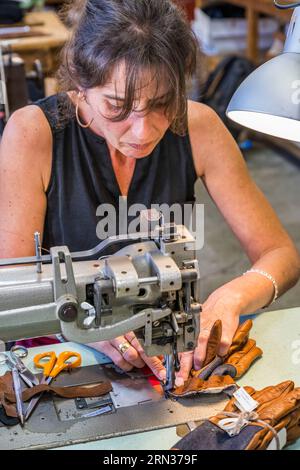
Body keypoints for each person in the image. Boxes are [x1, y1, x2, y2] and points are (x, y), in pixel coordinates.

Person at [0, 0, 299, 387]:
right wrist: (87, 324)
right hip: (62, 351)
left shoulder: (198, 128)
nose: (143, 132)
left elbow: (281, 255)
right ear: (80, 85)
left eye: (162, 104)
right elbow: (12, 290)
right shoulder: (33, 136)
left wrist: (234, 295)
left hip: (164, 345)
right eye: (116, 106)